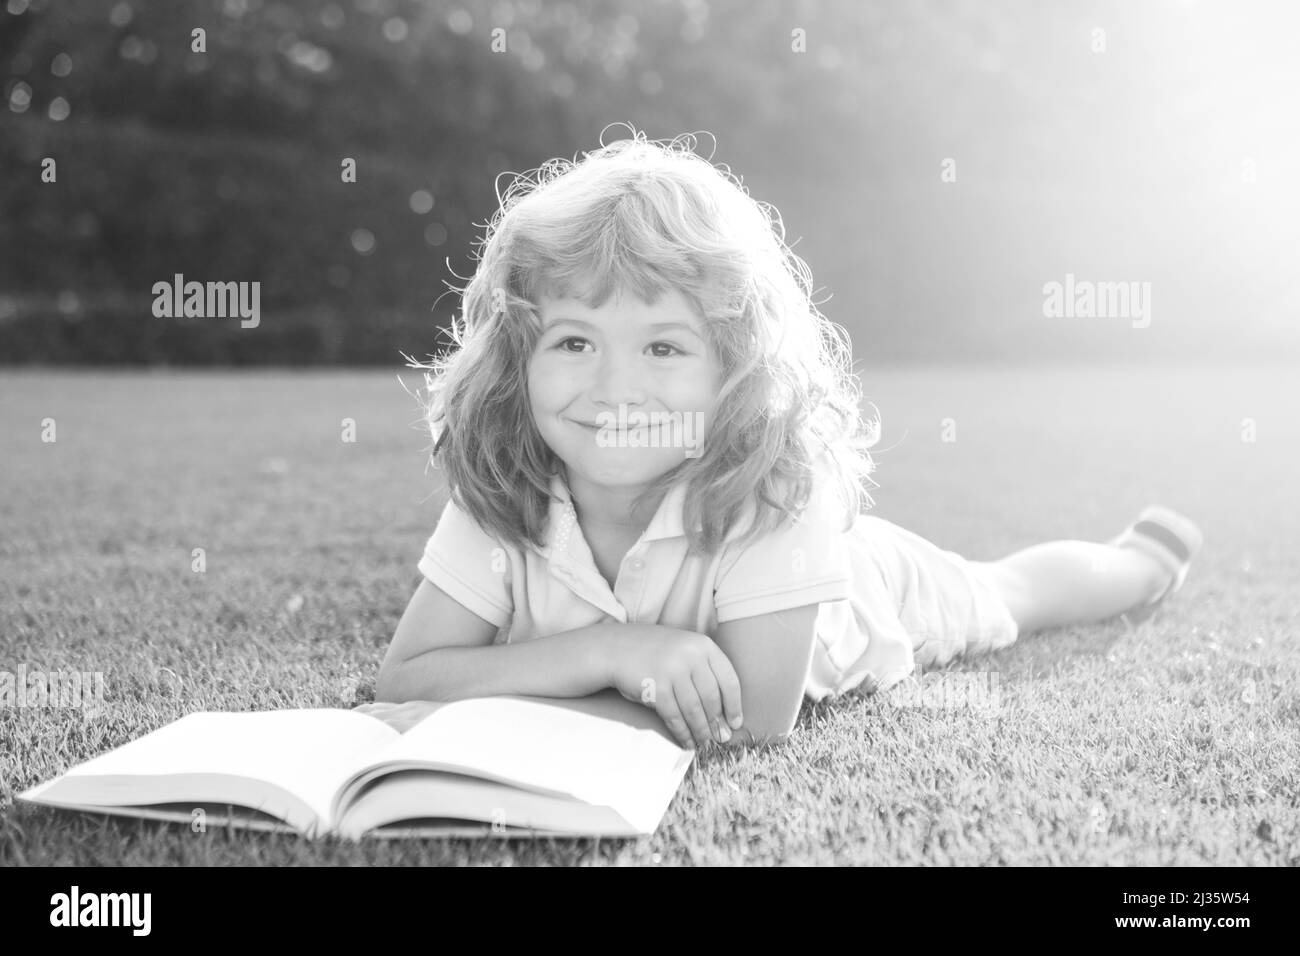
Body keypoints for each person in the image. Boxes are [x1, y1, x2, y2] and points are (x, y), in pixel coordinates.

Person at [366, 127, 1202, 751]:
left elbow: (753, 721)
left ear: (734, 366)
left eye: (663, 347)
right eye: (574, 342)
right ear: (518, 359)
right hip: (693, 618)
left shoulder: (772, 499)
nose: (615, 389)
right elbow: (403, 682)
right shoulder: (509, 488)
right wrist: (616, 651)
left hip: (866, 594)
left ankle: (1140, 563)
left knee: (1006, 595)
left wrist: (511, 692)